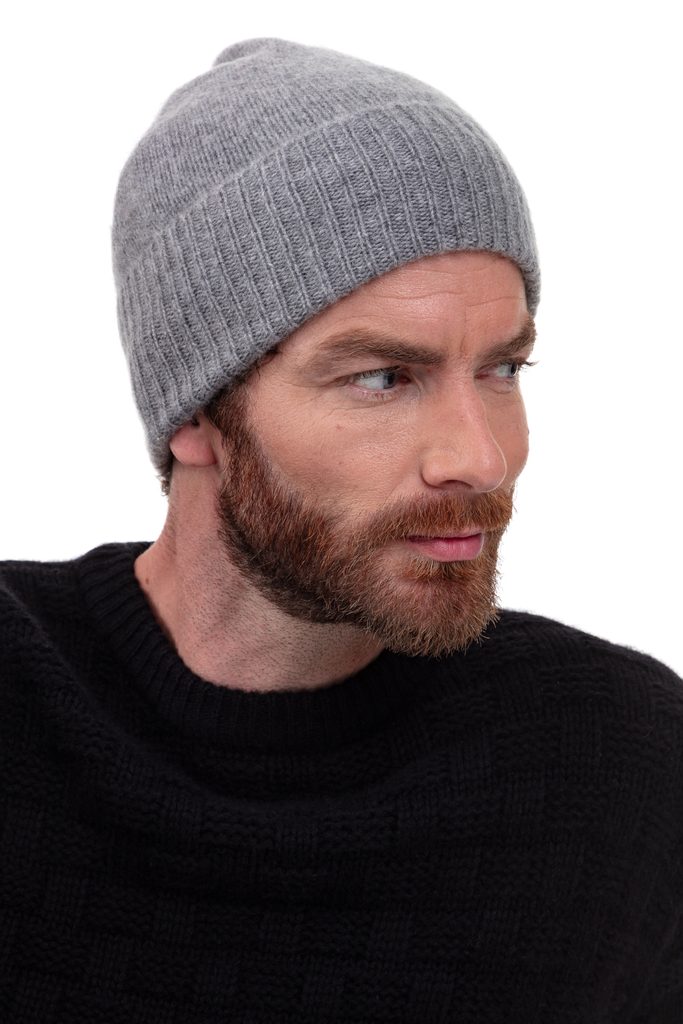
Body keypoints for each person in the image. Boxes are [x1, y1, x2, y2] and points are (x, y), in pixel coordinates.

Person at [0, 37, 680, 1023]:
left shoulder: (613, 763)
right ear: (197, 414)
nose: (479, 457)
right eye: (383, 378)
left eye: (501, 369)